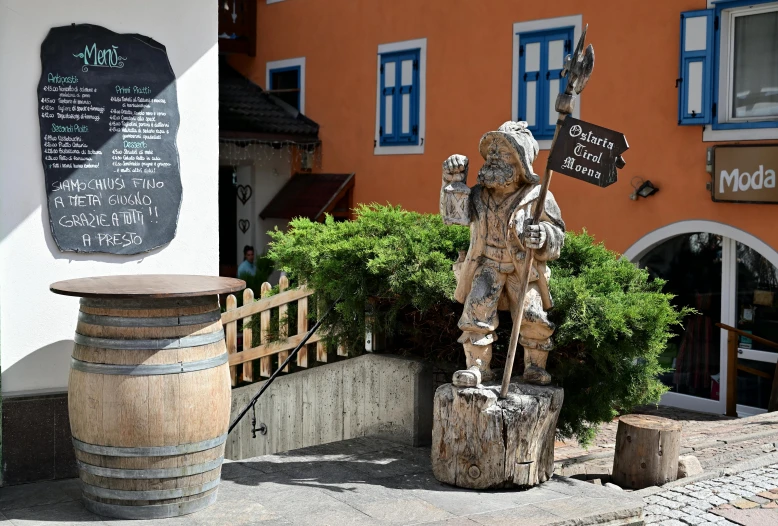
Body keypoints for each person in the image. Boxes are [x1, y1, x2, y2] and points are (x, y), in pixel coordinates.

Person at [440, 121, 565, 386]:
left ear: (522, 163)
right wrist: (453, 181)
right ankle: (477, 368)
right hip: (486, 265)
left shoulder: (538, 196)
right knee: (477, 313)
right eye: (492, 151)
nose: (494, 156)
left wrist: (542, 235)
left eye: (504, 152)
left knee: (533, 316)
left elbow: (558, 234)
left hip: (523, 268)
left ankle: (534, 367)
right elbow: (454, 217)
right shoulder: (477, 195)